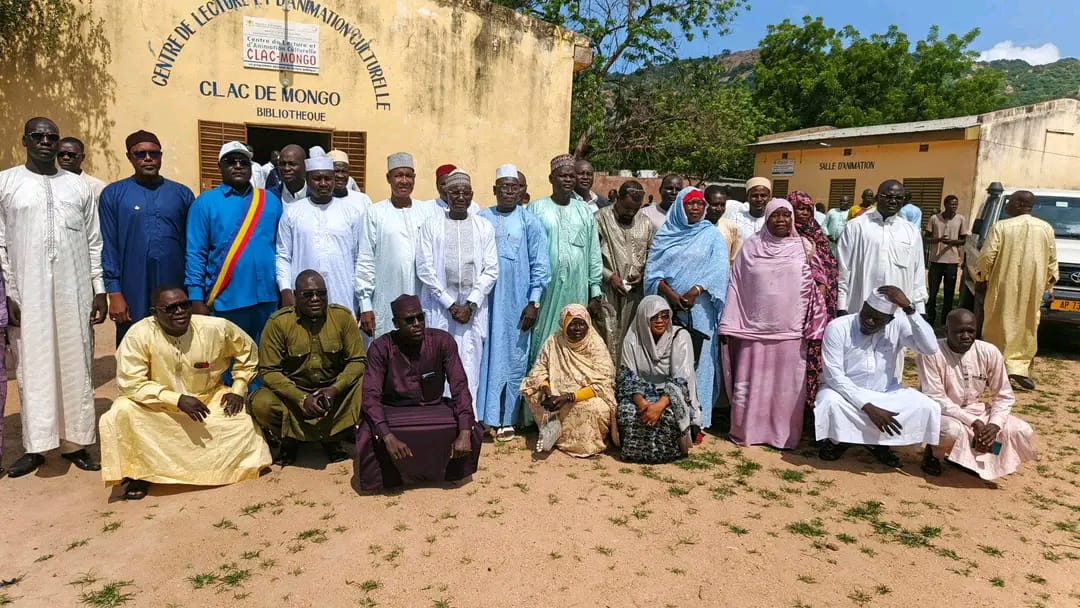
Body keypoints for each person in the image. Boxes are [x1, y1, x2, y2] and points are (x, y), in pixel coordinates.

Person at [0, 117, 108, 478]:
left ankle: (76, 443)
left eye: (52, 137)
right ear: (24, 140)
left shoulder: (78, 188)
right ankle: (36, 446)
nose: (45, 142)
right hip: (27, 293)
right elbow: (1, 244)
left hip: (73, 291)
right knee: (33, 365)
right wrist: (9, 292)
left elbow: (94, 241)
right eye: (38, 136)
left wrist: (98, 289)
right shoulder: (6, 183)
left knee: (76, 362)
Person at [99, 285, 271, 499]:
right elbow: (131, 383)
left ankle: (220, 469)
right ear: (154, 313)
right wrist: (176, 399)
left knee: (241, 422)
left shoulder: (215, 328)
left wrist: (238, 388)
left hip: (207, 401)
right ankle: (139, 473)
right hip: (157, 408)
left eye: (184, 305)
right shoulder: (138, 335)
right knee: (121, 412)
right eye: (171, 308)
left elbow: (248, 353)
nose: (180, 311)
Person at [720, 199, 828, 449]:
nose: (781, 220)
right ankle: (748, 432)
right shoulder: (751, 246)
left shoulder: (804, 247)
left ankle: (783, 436)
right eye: (775, 216)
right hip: (752, 330)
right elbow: (736, 284)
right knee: (751, 385)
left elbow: (821, 282)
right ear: (766, 219)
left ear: (793, 219)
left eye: (786, 215)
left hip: (791, 331)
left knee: (786, 388)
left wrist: (812, 312)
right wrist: (730, 321)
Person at [355, 294, 483, 490]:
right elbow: (370, 397)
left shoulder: (442, 341)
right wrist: (387, 436)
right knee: (368, 431)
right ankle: (386, 479)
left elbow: (460, 387)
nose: (417, 324)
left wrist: (465, 432)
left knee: (468, 425)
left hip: (434, 407)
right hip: (393, 409)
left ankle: (450, 473)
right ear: (395, 324)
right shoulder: (381, 348)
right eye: (409, 320)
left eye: (420, 317)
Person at [815, 287, 940, 468]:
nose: (869, 321)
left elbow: (930, 348)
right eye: (867, 314)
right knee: (829, 402)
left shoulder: (897, 325)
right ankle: (837, 441)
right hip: (844, 393)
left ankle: (876, 443)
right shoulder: (838, 327)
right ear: (863, 306)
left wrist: (910, 309)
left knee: (927, 406)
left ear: (889, 320)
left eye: (877, 319)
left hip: (884, 392)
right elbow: (834, 376)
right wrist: (868, 407)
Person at [252, 271, 365, 466]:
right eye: (308, 294)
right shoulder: (278, 323)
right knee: (261, 403)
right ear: (295, 295)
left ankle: (333, 437)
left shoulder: (342, 317)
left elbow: (358, 360)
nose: (315, 299)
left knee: (367, 385)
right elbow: (269, 370)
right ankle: (289, 439)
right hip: (293, 395)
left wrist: (335, 389)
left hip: (333, 393)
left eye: (321, 293)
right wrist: (301, 398)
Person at [645, 186, 729, 439]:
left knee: (699, 363)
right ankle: (669, 415)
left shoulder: (711, 234)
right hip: (667, 310)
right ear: (680, 206)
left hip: (700, 311)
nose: (695, 208)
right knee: (668, 361)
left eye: (700, 204)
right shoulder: (665, 234)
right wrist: (671, 296)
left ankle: (696, 419)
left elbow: (719, 269)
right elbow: (653, 272)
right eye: (690, 203)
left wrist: (694, 291)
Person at [99, 129, 195, 344]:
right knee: (133, 341)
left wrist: (194, 290)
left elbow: (193, 245)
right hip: (132, 284)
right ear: (129, 157)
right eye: (140, 154)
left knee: (176, 342)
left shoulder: (181, 194)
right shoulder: (113, 194)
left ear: (161, 156)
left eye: (154, 153)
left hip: (174, 282)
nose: (148, 158)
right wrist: (114, 292)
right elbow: (108, 246)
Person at [476, 165, 550, 440]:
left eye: (514, 187)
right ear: (494, 190)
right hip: (485, 302)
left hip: (517, 303)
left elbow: (540, 265)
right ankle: (483, 416)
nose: (509, 191)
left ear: (521, 191)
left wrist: (533, 302)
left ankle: (507, 418)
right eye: (504, 187)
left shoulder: (530, 222)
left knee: (513, 357)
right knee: (484, 355)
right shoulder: (481, 218)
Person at [915, 309, 1036, 479]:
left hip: (976, 410)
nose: (966, 336)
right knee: (950, 431)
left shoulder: (989, 351)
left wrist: (994, 424)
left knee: (1021, 430)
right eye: (959, 331)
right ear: (946, 330)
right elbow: (935, 397)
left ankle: (966, 458)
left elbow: (1004, 395)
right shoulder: (931, 353)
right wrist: (973, 422)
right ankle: (934, 453)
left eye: (970, 331)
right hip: (942, 412)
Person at [186, 141, 283, 343]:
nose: (238, 166)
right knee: (228, 359)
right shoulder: (204, 203)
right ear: (220, 166)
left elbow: (282, 249)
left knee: (267, 356)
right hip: (227, 299)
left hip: (268, 299)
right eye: (231, 161)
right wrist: (195, 297)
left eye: (243, 162)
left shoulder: (270, 201)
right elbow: (196, 253)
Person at [416, 170, 499, 405]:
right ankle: (441, 416)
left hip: (473, 312)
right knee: (439, 360)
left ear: (472, 195)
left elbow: (491, 269)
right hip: (441, 309)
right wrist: (450, 304)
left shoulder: (483, 226)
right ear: (446, 194)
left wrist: (470, 304)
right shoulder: (431, 225)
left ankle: (467, 416)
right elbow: (424, 268)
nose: (460, 197)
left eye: (465, 192)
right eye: (454, 192)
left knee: (471, 363)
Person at [526, 154, 602, 372]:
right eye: (562, 176)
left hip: (576, 288)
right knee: (542, 338)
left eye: (571, 176)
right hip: (546, 290)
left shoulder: (585, 212)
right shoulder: (536, 209)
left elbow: (593, 253)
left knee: (574, 338)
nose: (568, 180)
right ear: (551, 178)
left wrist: (595, 291)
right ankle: (539, 388)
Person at [976, 190, 1057, 390]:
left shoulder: (1001, 227)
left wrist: (981, 278)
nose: (1007, 205)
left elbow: (987, 257)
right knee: (1026, 326)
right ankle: (1018, 369)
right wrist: (1049, 286)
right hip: (1033, 288)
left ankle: (997, 369)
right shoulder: (1046, 228)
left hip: (1003, 285)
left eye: (1010, 201)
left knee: (998, 324)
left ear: (1020, 204)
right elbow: (1052, 261)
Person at [356, 152, 439, 340]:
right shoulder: (375, 212)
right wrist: (365, 304)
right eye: (398, 175)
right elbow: (365, 260)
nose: (404, 181)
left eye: (408, 176)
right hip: (386, 296)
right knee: (387, 345)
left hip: (421, 295)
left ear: (414, 179)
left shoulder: (427, 212)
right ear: (388, 178)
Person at [521, 304, 617, 457]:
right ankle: (555, 436)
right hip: (555, 393)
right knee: (531, 391)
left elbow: (604, 383)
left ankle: (589, 443)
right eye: (572, 324)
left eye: (581, 324)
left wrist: (569, 397)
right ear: (564, 324)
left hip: (584, 395)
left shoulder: (595, 345)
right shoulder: (554, 341)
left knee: (595, 408)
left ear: (588, 324)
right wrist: (546, 389)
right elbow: (540, 369)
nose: (577, 328)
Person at [275, 153, 366, 311]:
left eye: (328, 178)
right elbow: (283, 256)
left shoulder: (351, 213)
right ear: (307, 179)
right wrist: (285, 290)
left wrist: (363, 302)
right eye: (317, 179)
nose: (323, 183)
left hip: (343, 293)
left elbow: (360, 258)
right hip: (304, 296)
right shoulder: (292, 212)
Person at [615, 296, 695, 463]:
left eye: (665, 316)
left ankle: (667, 452)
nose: (660, 321)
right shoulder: (632, 339)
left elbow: (682, 378)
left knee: (669, 415)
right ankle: (635, 452)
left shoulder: (680, 336)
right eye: (654, 317)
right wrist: (643, 404)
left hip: (670, 395)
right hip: (639, 395)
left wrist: (659, 406)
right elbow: (627, 377)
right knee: (627, 412)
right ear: (644, 317)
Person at [837, 180, 927, 318]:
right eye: (888, 196)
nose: (893, 201)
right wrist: (841, 306)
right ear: (877, 197)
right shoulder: (856, 227)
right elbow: (843, 269)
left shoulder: (911, 232)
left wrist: (920, 310)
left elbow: (918, 273)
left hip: (898, 314)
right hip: (860, 307)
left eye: (898, 198)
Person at [594, 180, 655, 364]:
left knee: (631, 341)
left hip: (634, 294)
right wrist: (609, 276)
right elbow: (590, 256)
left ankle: (625, 380)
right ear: (618, 199)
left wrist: (643, 274)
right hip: (607, 292)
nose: (630, 213)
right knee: (606, 338)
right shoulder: (600, 219)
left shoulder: (645, 223)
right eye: (626, 208)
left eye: (635, 209)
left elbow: (652, 254)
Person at [789, 191, 840, 407]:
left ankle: (811, 404)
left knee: (813, 353)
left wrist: (821, 289)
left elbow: (830, 270)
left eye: (806, 209)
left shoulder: (818, 235)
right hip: (792, 304)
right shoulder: (783, 235)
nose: (802, 213)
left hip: (819, 306)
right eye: (797, 209)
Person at [924, 194, 968, 325]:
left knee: (949, 293)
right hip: (936, 261)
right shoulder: (934, 219)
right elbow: (926, 238)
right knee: (933, 292)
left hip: (952, 261)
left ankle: (946, 320)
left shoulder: (960, 219)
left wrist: (952, 242)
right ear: (945, 204)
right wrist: (939, 240)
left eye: (955, 204)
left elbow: (963, 240)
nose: (953, 207)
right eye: (951, 204)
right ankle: (930, 318)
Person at [57, 137, 106, 201]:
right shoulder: (48, 181)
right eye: (61, 154)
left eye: (71, 155)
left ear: (82, 157)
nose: (65, 157)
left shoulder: (97, 187)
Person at [704, 184, 742, 265]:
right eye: (715, 205)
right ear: (705, 204)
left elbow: (734, 260)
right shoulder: (694, 227)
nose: (719, 209)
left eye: (722, 205)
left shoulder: (731, 228)